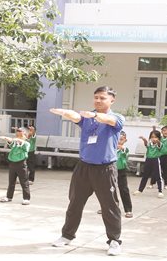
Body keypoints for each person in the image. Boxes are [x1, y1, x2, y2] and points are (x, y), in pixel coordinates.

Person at [49, 86, 124, 256]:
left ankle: (114, 241)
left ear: (112, 100)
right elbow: (76, 117)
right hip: (83, 167)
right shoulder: (88, 117)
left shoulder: (116, 117)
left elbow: (110, 121)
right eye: (96, 97)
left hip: (105, 169)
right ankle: (67, 235)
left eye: (102, 98)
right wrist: (64, 112)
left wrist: (96, 116)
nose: (98, 100)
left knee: (110, 206)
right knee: (75, 203)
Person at [0, 128, 31, 205]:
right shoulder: (15, 142)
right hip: (13, 163)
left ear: (25, 135)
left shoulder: (26, 143)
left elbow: (25, 147)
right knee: (11, 181)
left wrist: (18, 140)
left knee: (24, 182)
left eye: (20, 131)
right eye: (17, 131)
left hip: (21, 164)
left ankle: (26, 198)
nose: (18, 133)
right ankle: (9, 197)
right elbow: (11, 143)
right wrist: (8, 139)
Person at [134, 129, 164, 198]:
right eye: (152, 137)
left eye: (156, 137)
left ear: (159, 138)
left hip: (156, 160)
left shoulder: (159, 144)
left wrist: (158, 141)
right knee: (145, 176)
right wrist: (144, 139)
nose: (154, 138)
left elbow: (159, 145)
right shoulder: (149, 144)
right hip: (148, 160)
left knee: (158, 176)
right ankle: (140, 190)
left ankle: (160, 191)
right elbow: (145, 143)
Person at [116, 131, 133, 218]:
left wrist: (120, 148)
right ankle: (110, 207)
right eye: (117, 139)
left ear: (125, 140)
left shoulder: (125, 149)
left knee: (124, 190)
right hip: (111, 171)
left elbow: (124, 152)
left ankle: (128, 210)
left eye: (121, 139)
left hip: (121, 171)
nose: (119, 141)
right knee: (109, 190)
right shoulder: (110, 148)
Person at [150, 125, 167, 189]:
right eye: (164, 130)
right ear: (161, 132)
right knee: (156, 170)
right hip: (159, 156)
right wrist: (154, 130)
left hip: (166, 157)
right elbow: (154, 138)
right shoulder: (159, 138)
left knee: (166, 171)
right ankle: (152, 183)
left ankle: (166, 184)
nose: (166, 132)